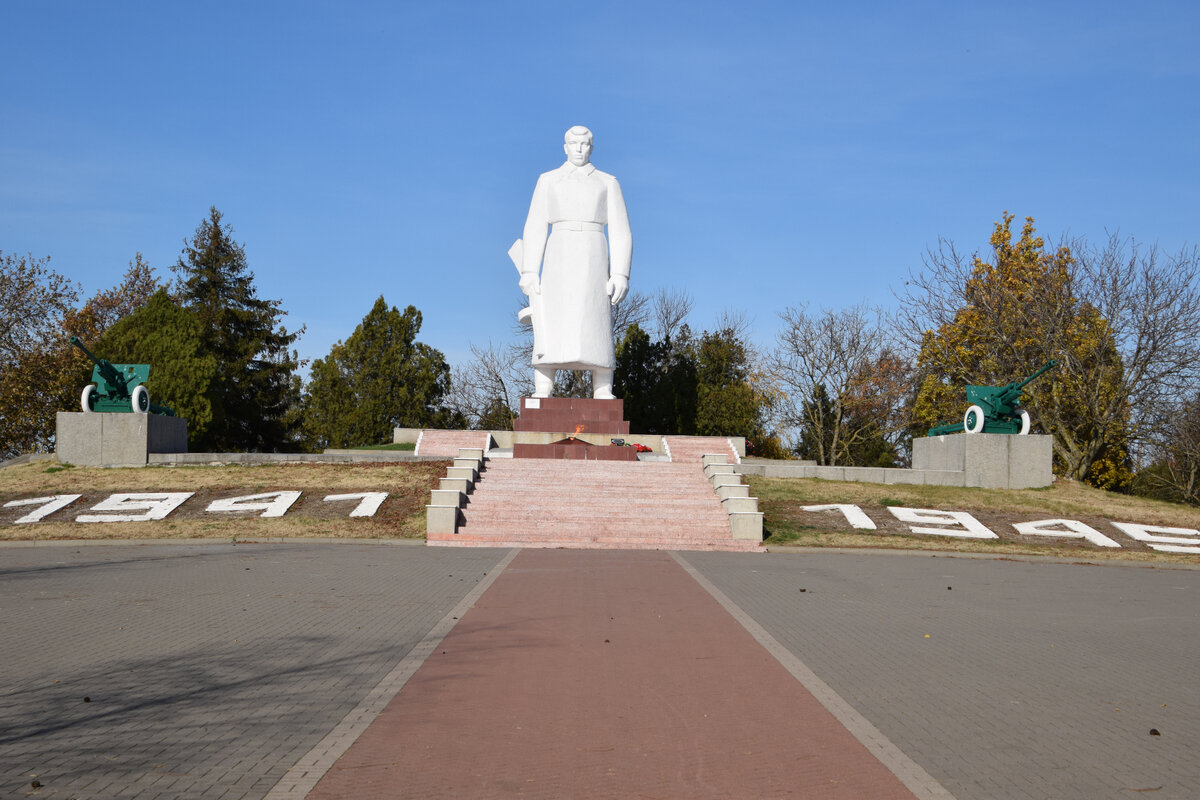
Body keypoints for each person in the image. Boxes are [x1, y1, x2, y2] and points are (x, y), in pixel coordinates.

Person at [516, 125, 632, 399]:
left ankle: (602, 388)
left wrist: (620, 273)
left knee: (596, 319)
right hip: (559, 252)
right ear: (565, 146)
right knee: (551, 318)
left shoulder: (607, 182)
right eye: (574, 143)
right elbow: (534, 226)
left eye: (585, 144)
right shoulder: (549, 180)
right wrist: (530, 270)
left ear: (592, 147)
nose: (579, 149)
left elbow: (620, 230)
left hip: (593, 252)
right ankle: (543, 388)